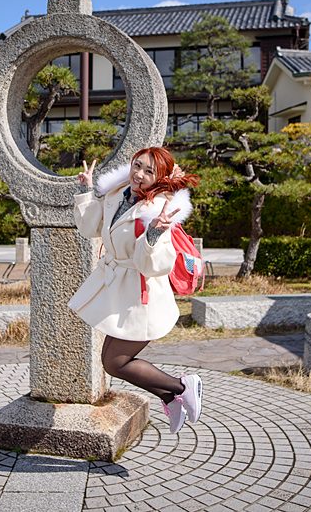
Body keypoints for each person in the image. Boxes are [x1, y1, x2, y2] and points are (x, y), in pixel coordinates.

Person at [68, 147, 204, 434]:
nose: (139, 175)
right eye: (137, 165)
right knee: (113, 362)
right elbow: (92, 227)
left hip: (142, 299)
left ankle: (182, 386)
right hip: (118, 290)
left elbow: (156, 266)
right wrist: (86, 191)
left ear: (160, 178)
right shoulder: (119, 193)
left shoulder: (159, 211)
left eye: (148, 171)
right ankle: (170, 396)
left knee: (115, 363)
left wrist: (154, 233)